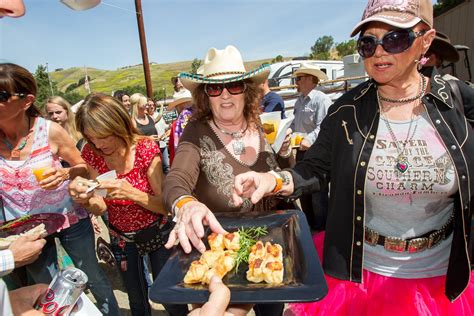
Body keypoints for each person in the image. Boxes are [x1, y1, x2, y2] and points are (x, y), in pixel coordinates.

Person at [232, 0, 474, 315]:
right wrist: (271, 179)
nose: (378, 51)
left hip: (441, 278)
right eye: (367, 42)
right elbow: (315, 169)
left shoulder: (457, 102)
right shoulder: (346, 110)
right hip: (362, 276)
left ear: (425, 41)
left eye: (395, 38)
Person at [163, 45, 293, 316]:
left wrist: (285, 156)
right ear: (204, 95)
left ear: (246, 90)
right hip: (220, 259)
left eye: (233, 86)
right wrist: (186, 204)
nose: (224, 94)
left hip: (268, 245)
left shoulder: (258, 124)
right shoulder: (196, 131)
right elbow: (176, 178)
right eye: (214, 88)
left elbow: (277, 180)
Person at [0, 63, 119, 315]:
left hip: (69, 218)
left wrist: (65, 173)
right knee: (47, 288)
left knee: (91, 276)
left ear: (26, 101)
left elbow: (84, 166)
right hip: (25, 229)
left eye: (1, 96)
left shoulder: (49, 130)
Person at [69, 93, 188, 316]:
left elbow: (165, 206)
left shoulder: (145, 149)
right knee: (137, 301)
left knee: (171, 297)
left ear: (118, 124)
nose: (98, 144)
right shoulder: (92, 153)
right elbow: (102, 206)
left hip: (158, 233)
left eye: (103, 136)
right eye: (91, 137)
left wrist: (130, 192)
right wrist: (85, 199)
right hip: (122, 239)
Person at [291, 62, 332, 231]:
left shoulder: (321, 99)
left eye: (299, 78)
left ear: (309, 79)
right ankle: (310, 227)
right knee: (305, 192)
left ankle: (322, 230)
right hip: (302, 152)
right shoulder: (299, 102)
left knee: (318, 195)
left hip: (317, 153)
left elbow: (325, 125)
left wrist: (308, 139)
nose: (297, 82)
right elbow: (294, 125)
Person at [167, 88, 193, 166]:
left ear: (180, 106)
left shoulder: (175, 125)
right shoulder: (203, 118)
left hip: (183, 164)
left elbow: (172, 150)